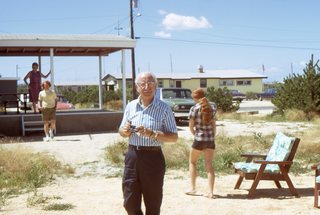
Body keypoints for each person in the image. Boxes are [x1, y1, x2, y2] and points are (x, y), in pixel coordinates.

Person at [119, 72, 178, 215]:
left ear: (156, 86)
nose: (147, 87)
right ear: (137, 87)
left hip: (153, 158)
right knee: (130, 201)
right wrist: (125, 131)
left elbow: (174, 137)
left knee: (153, 203)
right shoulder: (131, 106)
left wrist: (153, 133)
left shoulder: (164, 108)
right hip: (132, 156)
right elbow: (121, 130)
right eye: (143, 84)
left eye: (150, 83)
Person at [186, 88, 217, 199]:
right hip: (210, 139)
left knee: (193, 162)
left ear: (195, 98)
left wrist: (195, 134)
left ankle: (193, 188)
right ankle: (210, 192)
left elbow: (191, 126)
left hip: (199, 138)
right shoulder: (212, 107)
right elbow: (214, 125)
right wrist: (212, 136)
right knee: (209, 165)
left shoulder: (194, 108)